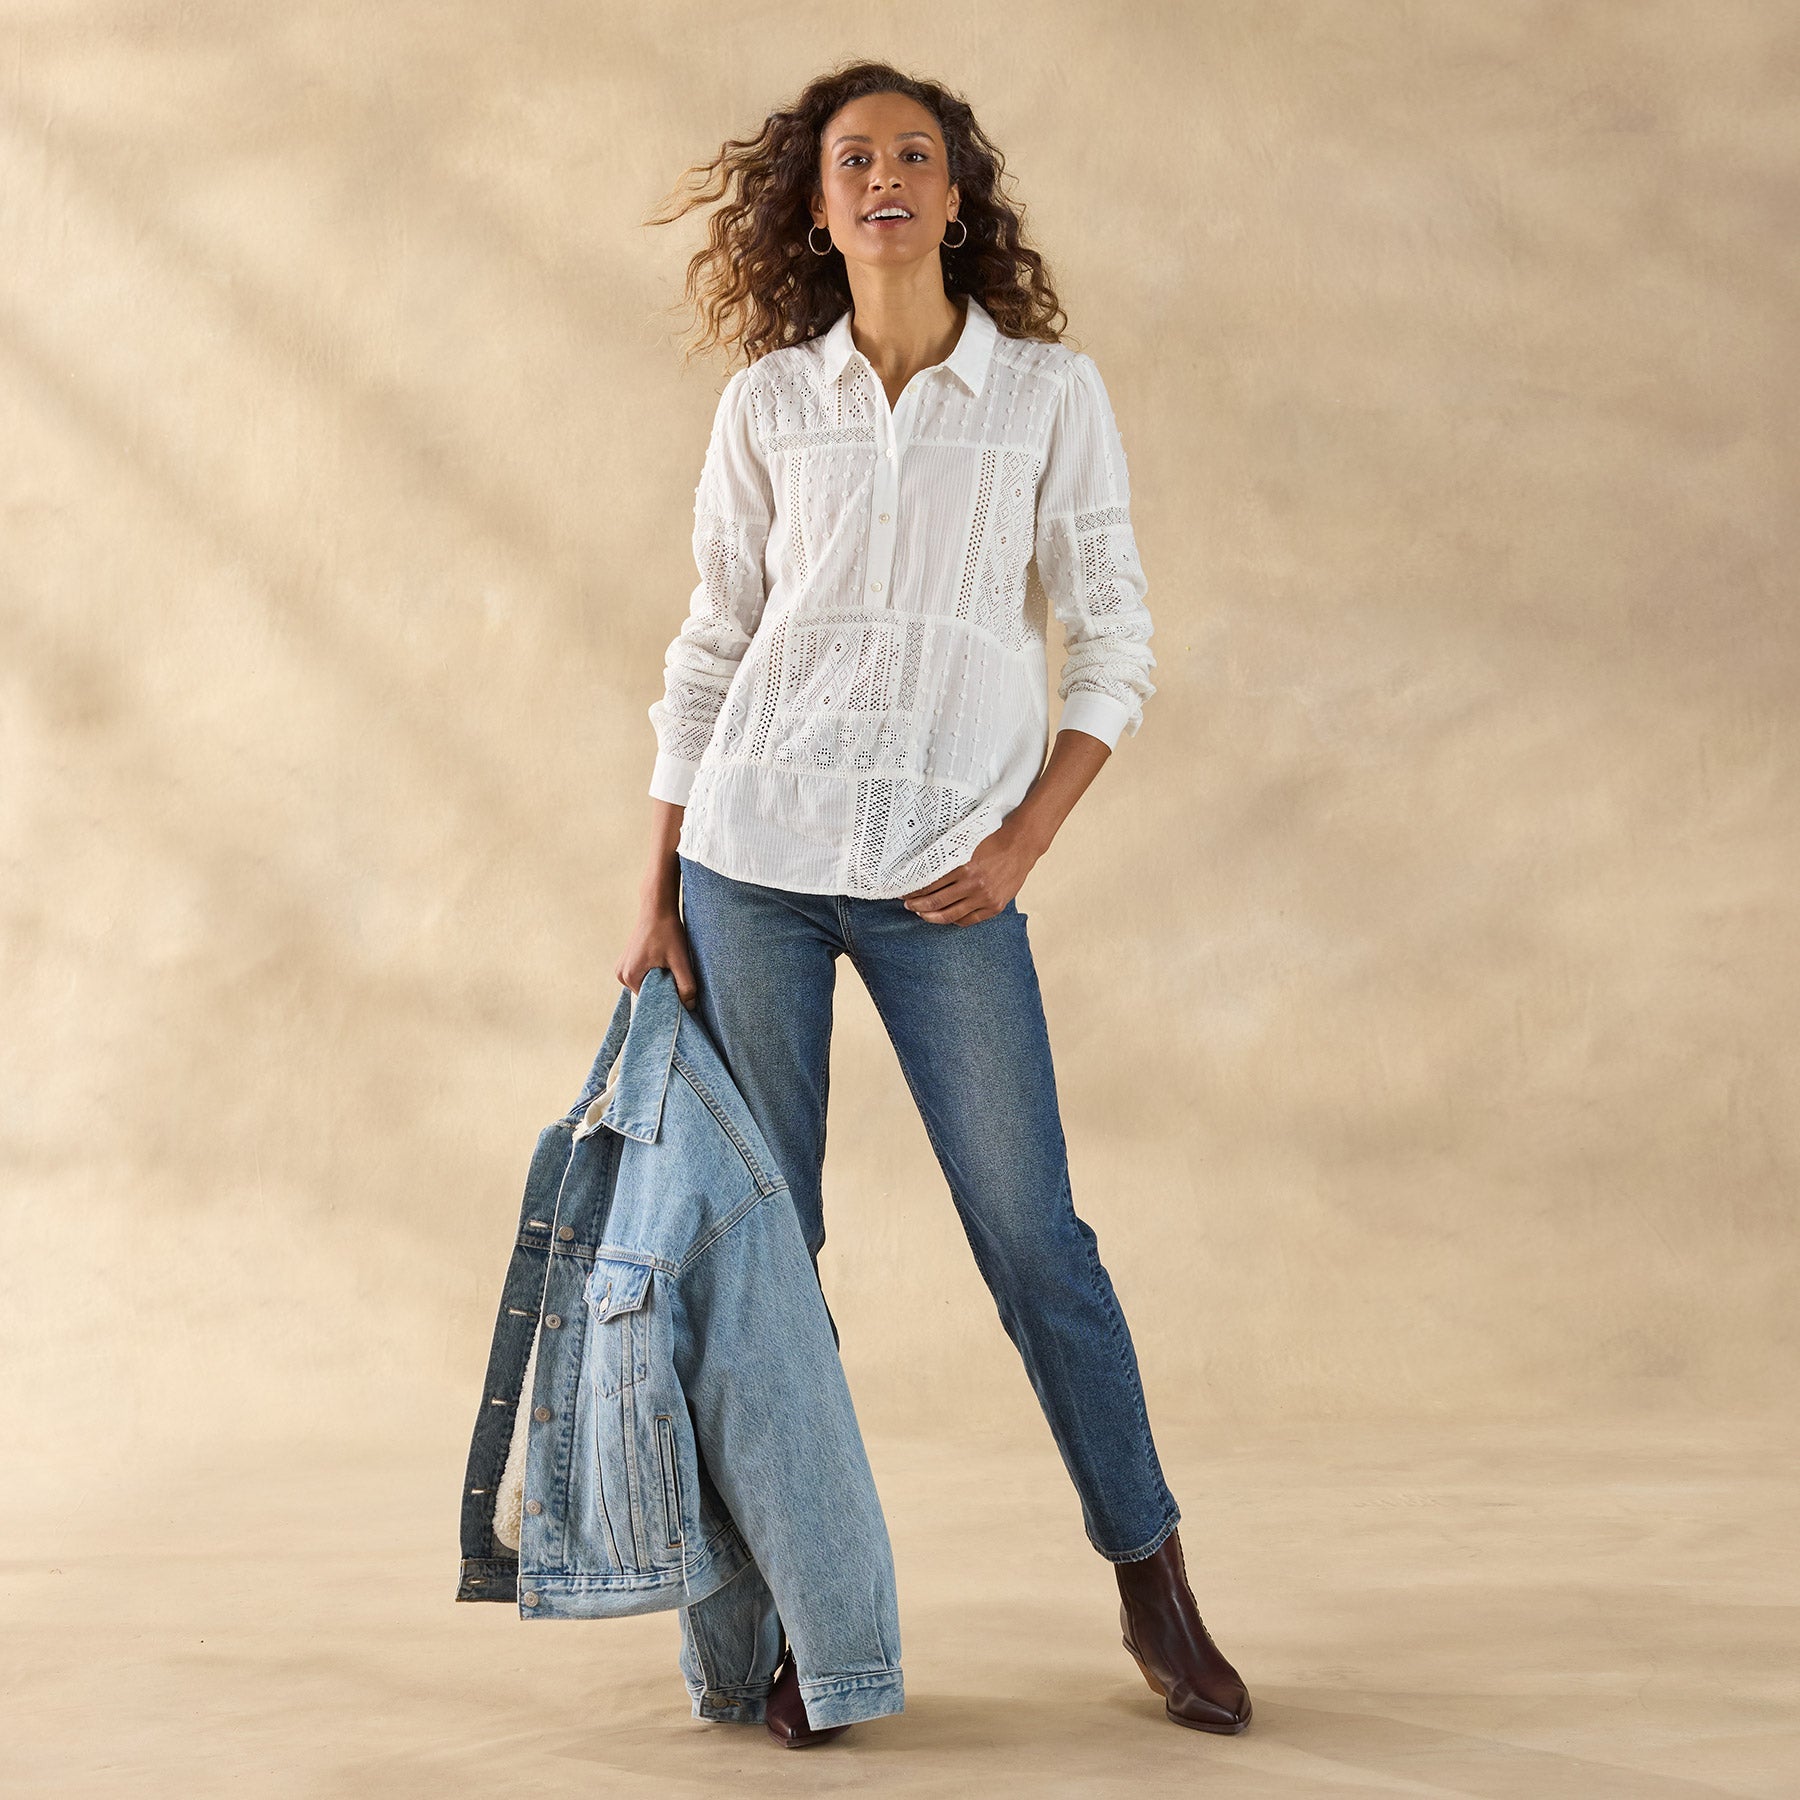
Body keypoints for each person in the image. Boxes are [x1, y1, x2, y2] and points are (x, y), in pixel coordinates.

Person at [616, 59, 1251, 1746]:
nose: (885, 177)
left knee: (1033, 1236)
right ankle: (801, 1628)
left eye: (915, 155)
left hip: (947, 879)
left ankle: (1153, 1579)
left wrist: (1025, 842)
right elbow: (711, 645)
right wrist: (655, 886)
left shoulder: (1046, 395)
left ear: (958, 197)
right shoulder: (771, 405)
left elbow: (1114, 639)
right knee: (769, 1255)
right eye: (854, 159)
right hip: (751, 864)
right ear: (817, 207)